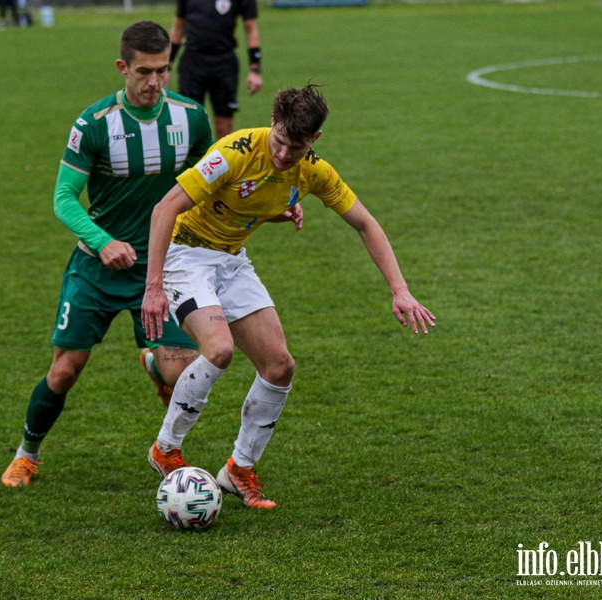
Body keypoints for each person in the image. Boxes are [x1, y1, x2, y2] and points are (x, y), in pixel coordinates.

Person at [141, 85, 436, 509]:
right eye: (278, 141)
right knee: (220, 349)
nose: (282, 154)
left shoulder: (315, 170)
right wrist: (153, 287)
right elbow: (165, 208)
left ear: (314, 141)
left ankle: (239, 469)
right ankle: (165, 449)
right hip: (185, 255)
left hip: (231, 260)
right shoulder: (235, 150)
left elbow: (366, 224)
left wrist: (400, 290)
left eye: (294, 148)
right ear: (273, 125)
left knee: (279, 366)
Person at [0, 21, 215, 488]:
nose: (155, 82)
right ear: (123, 67)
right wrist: (103, 241)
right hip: (96, 270)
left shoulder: (191, 117)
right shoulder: (93, 124)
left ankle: (155, 375)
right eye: (144, 71)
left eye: (163, 70)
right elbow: (63, 198)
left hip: (161, 269)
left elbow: (211, 183)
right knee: (64, 370)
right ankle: (26, 454)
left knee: (182, 373)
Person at [169, 0, 263, 140]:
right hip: (192, 63)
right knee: (189, 124)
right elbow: (178, 27)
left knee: (224, 128)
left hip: (224, 63)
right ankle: (192, 162)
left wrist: (255, 69)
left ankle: (221, 160)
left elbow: (250, 29)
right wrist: (166, 66)